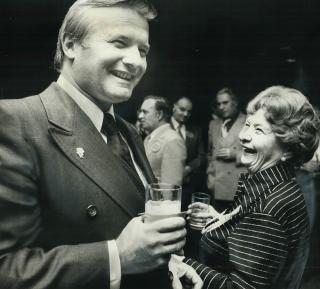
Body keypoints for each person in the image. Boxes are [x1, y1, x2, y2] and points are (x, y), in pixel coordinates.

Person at [0, 1, 187, 289]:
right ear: (71, 44)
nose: (136, 61)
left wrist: (170, 266)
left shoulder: (127, 132)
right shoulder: (15, 122)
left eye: (143, 50)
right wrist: (117, 257)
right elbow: (6, 269)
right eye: (119, 42)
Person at [169, 86, 320, 289]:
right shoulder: (272, 184)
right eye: (248, 125)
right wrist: (219, 220)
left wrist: (179, 264)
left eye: (258, 130)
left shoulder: (269, 207)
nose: (243, 136)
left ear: (287, 148)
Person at [207, 87, 247, 211]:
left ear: (234, 103)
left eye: (225, 103)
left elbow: (259, 153)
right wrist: (210, 176)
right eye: (218, 104)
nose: (221, 107)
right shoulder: (214, 124)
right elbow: (209, 153)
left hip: (238, 186)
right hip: (217, 185)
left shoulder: (248, 121)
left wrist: (236, 155)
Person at [139, 95, 187, 186]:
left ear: (159, 115)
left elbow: (170, 188)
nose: (140, 116)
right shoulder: (148, 138)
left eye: (145, 112)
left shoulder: (173, 140)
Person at [170, 96, 206, 209]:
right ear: (174, 107)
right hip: (165, 184)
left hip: (187, 187)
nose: (185, 114)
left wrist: (188, 169)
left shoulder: (196, 131)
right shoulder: (161, 126)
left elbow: (202, 157)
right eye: (182, 109)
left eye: (189, 112)